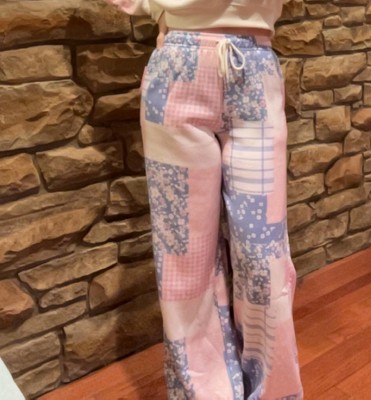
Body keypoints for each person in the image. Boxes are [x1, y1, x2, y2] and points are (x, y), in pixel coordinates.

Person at [105, 1, 303, 399]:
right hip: (177, 67)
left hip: (255, 66)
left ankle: (275, 392)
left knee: (265, 260)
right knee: (185, 264)